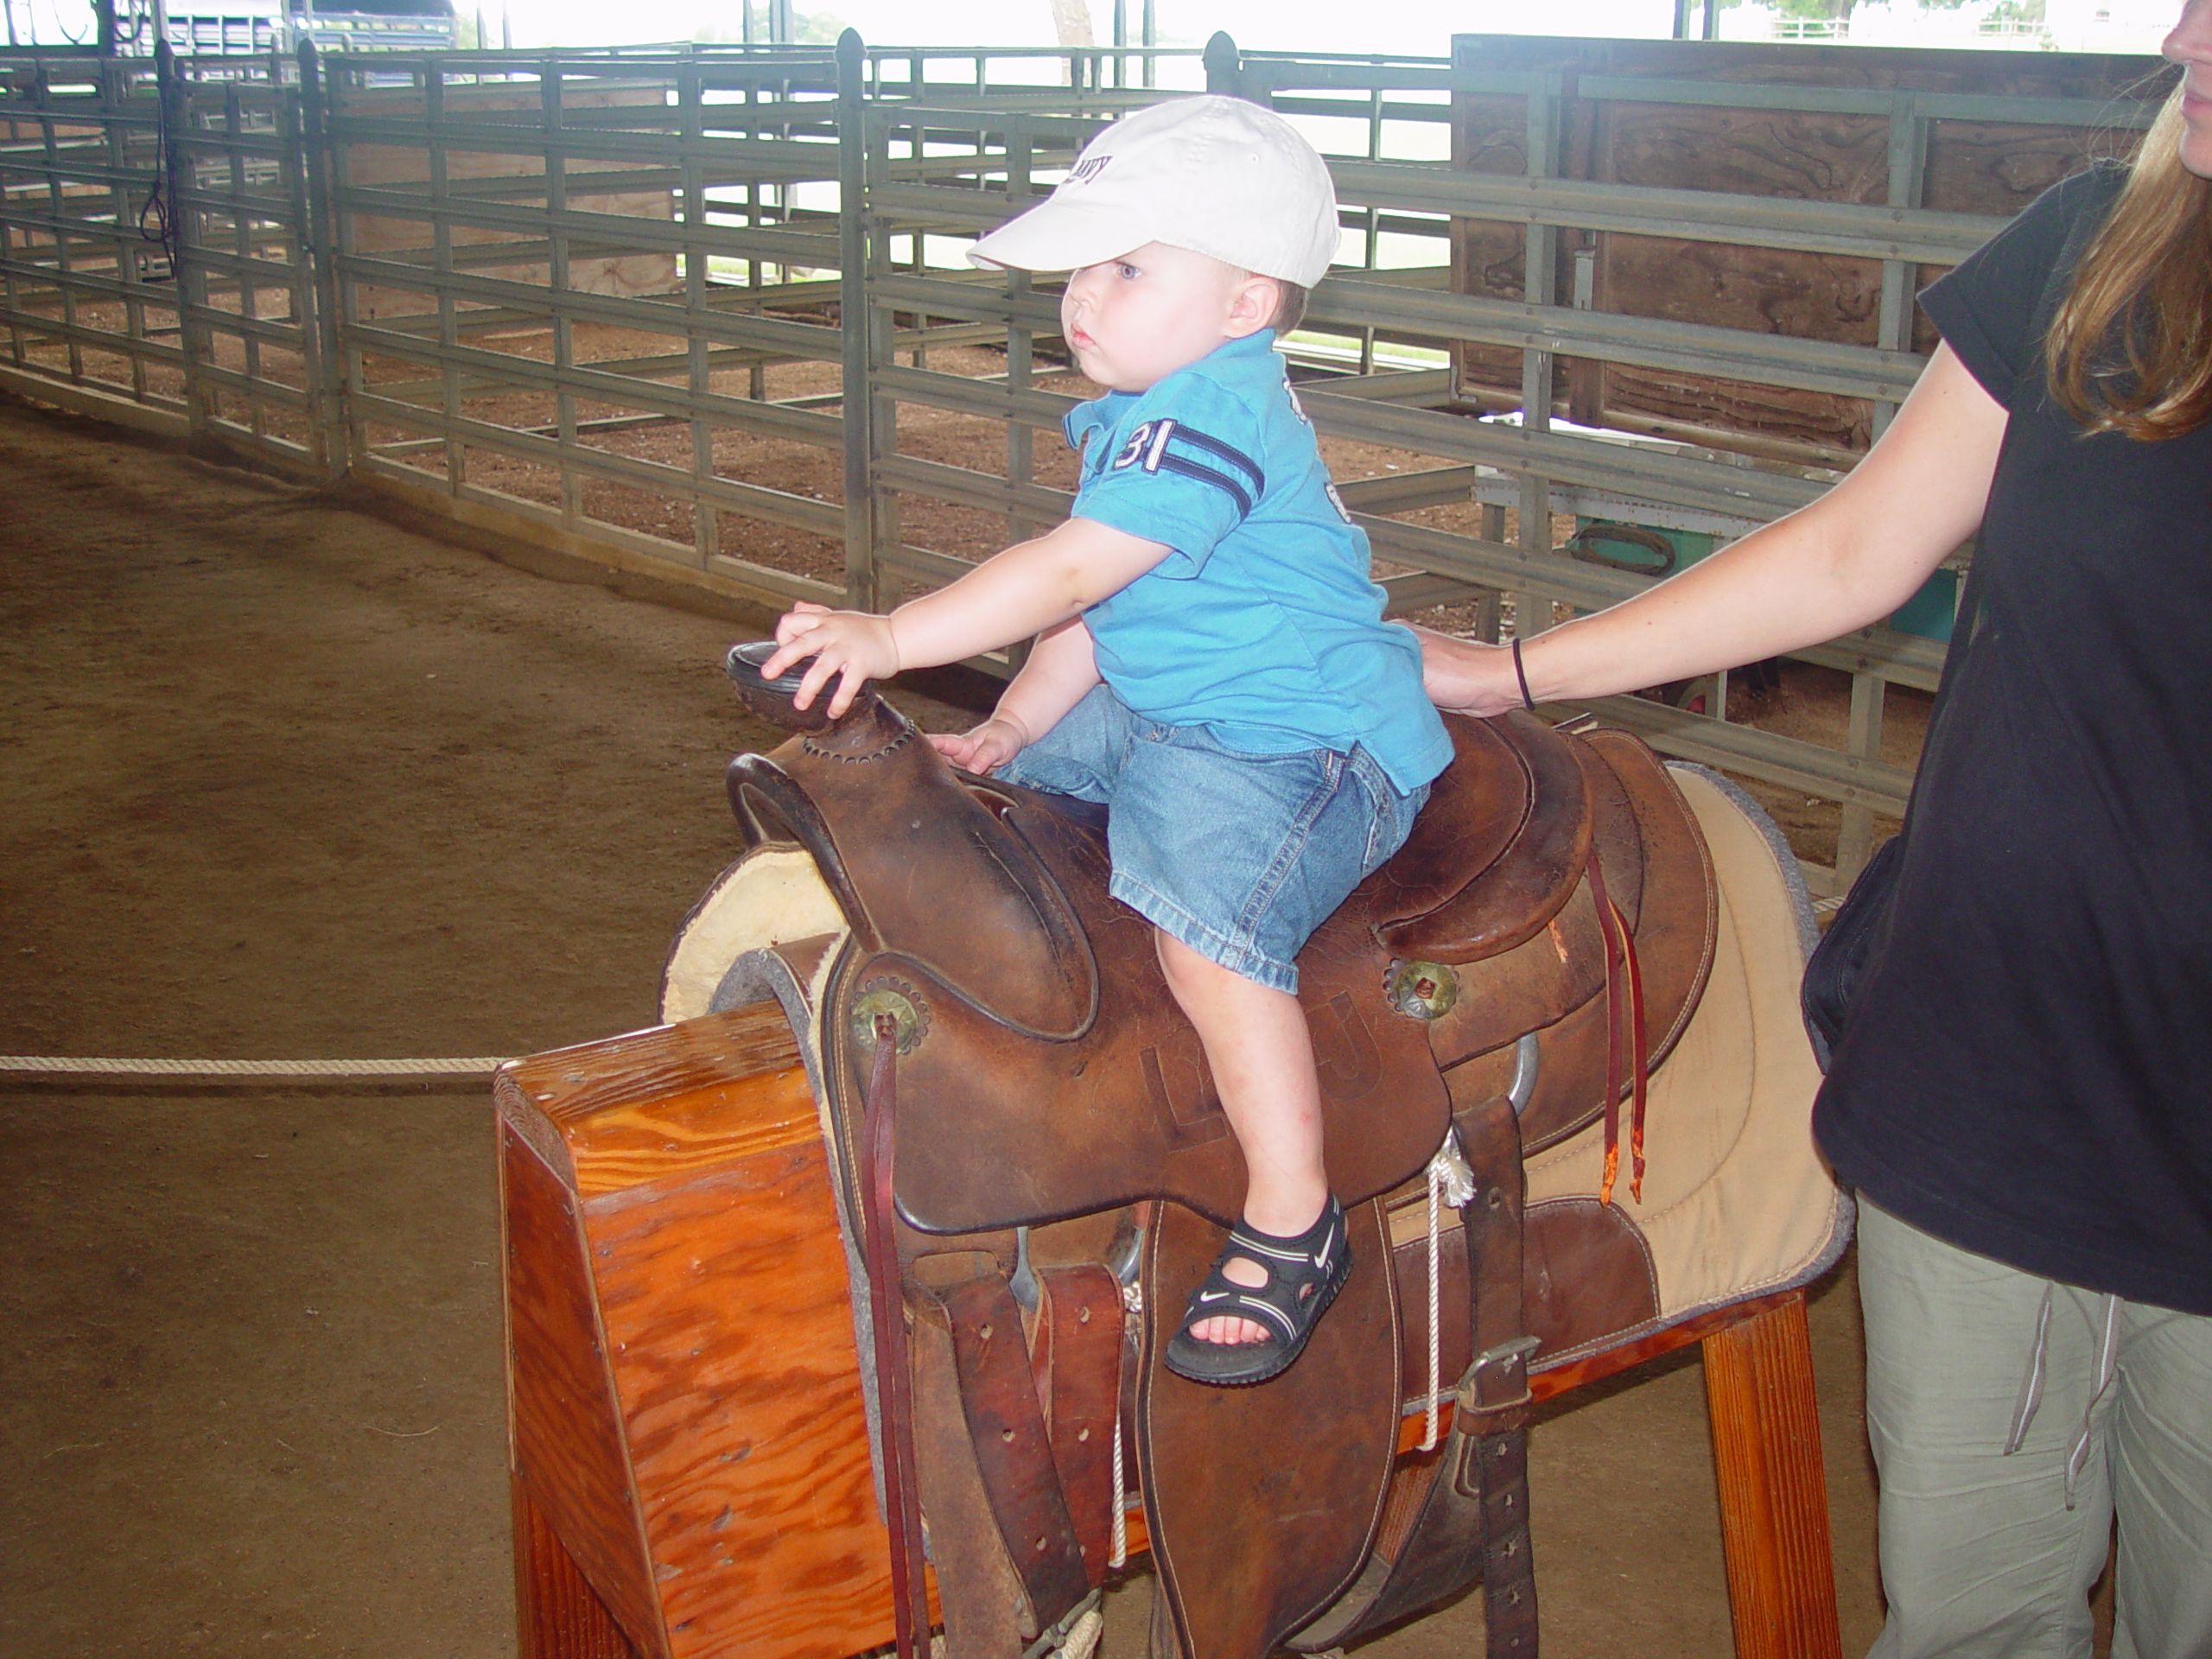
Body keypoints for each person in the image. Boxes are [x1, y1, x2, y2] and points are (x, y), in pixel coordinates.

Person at [1421, 7, 2212, 1653]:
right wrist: (1512, 670)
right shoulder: (2099, 251)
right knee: (1967, 1616)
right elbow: (1862, 548)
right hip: (1988, 1082)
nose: (2180, 30)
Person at [760, 96, 1452, 1388]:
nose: (1086, 295)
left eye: (1130, 267)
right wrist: (1017, 721)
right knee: (1001, 783)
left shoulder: (1215, 416)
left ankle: (1294, 1215)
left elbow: (1074, 572)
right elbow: (1107, 610)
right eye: (1086, 265)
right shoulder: (1146, 416)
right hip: (1177, 694)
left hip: (1294, 736)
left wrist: (893, 634)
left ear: (1245, 304)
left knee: (1205, 929)